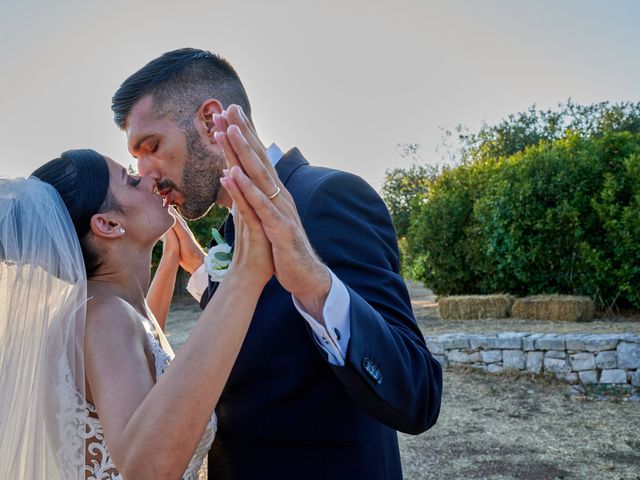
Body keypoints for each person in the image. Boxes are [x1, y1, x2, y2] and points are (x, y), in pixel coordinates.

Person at [112, 48, 443, 479]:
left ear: (211, 122)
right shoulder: (234, 231)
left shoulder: (326, 197)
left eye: (151, 146)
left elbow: (418, 395)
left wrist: (315, 284)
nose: (146, 172)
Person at [0, 148, 272, 479]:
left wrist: (172, 257)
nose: (150, 178)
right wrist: (247, 273)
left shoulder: (108, 309)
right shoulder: (105, 318)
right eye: (131, 180)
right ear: (108, 224)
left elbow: (145, 356)